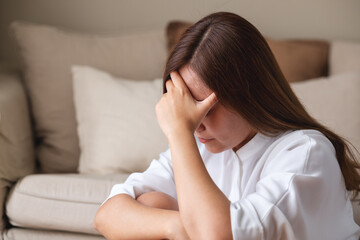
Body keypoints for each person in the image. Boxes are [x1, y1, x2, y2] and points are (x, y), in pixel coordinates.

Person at [93, 12, 360, 239]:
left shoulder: (306, 152)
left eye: (204, 107)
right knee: (152, 204)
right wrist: (176, 225)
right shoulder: (202, 149)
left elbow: (217, 236)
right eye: (184, 110)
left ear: (249, 94)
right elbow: (107, 215)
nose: (194, 124)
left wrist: (178, 132)